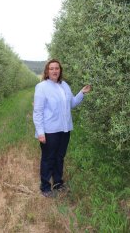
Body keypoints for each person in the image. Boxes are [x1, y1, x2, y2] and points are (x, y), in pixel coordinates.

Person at [33, 59, 91, 198]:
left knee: (60, 157)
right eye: (51, 68)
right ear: (47, 71)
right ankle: (45, 187)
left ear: (60, 70)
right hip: (49, 130)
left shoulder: (65, 85)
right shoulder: (42, 87)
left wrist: (82, 93)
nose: (54, 71)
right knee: (48, 158)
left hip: (65, 130)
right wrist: (40, 132)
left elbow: (71, 104)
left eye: (57, 68)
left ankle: (58, 183)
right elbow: (38, 111)